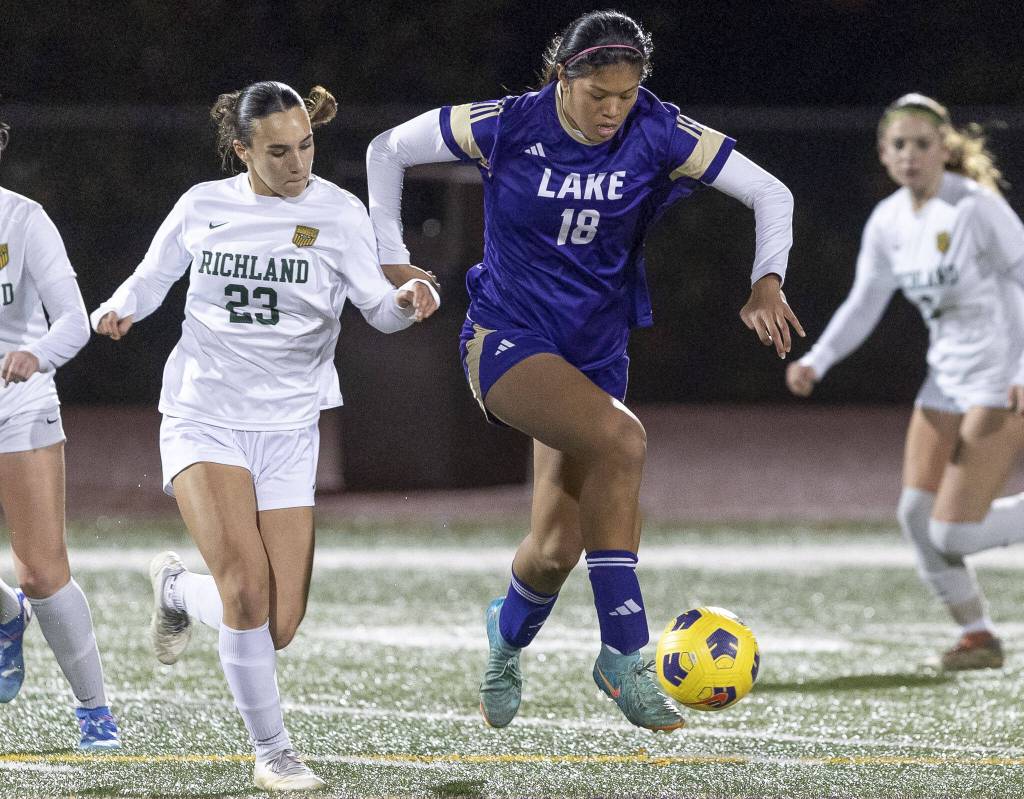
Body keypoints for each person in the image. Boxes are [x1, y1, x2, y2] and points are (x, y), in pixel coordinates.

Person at [366, 10, 800, 732]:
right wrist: (389, 249)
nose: (613, 110)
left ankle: (503, 643)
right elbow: (386, 149)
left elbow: (771, 192)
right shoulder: (505, 124)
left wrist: (768, 279)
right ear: (563, 76)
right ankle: (624, 654)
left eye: (627, 95)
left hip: (596, 355)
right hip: (506, 338)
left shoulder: (659, 130)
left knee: (557, 547)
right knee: (624, 441)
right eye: (599, 93)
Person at [91, 81, 439, 791]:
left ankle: (178, 590)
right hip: (204, 411)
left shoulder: (340, 215)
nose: (297, 162)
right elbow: (153, 277)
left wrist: (408, 301)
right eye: (277, 150)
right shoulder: (203, 205)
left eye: (306, 144)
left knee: (277, 621)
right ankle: (274, 751)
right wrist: (120, 306)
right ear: (242, 150)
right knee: (246, 592)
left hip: (290, 428)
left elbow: (377, 308)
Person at [786, 93, 1024, 670]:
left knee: (955, 534)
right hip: (945, 379)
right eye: (899, 145)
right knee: (917, 518)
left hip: (1000, 374)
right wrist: (818, 360)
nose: (911, 155)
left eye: (923, 143)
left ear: (945, 149)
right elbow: (865, 301)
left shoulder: (975, 206)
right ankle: (978, 636)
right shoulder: (889, 220)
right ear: (884, 155)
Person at [0, 119, 120, 750]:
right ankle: (4, 615)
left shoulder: (23, 221)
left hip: (19, 402)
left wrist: (37, 354)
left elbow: (74, 321)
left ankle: (94, 709)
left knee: (42, 571)